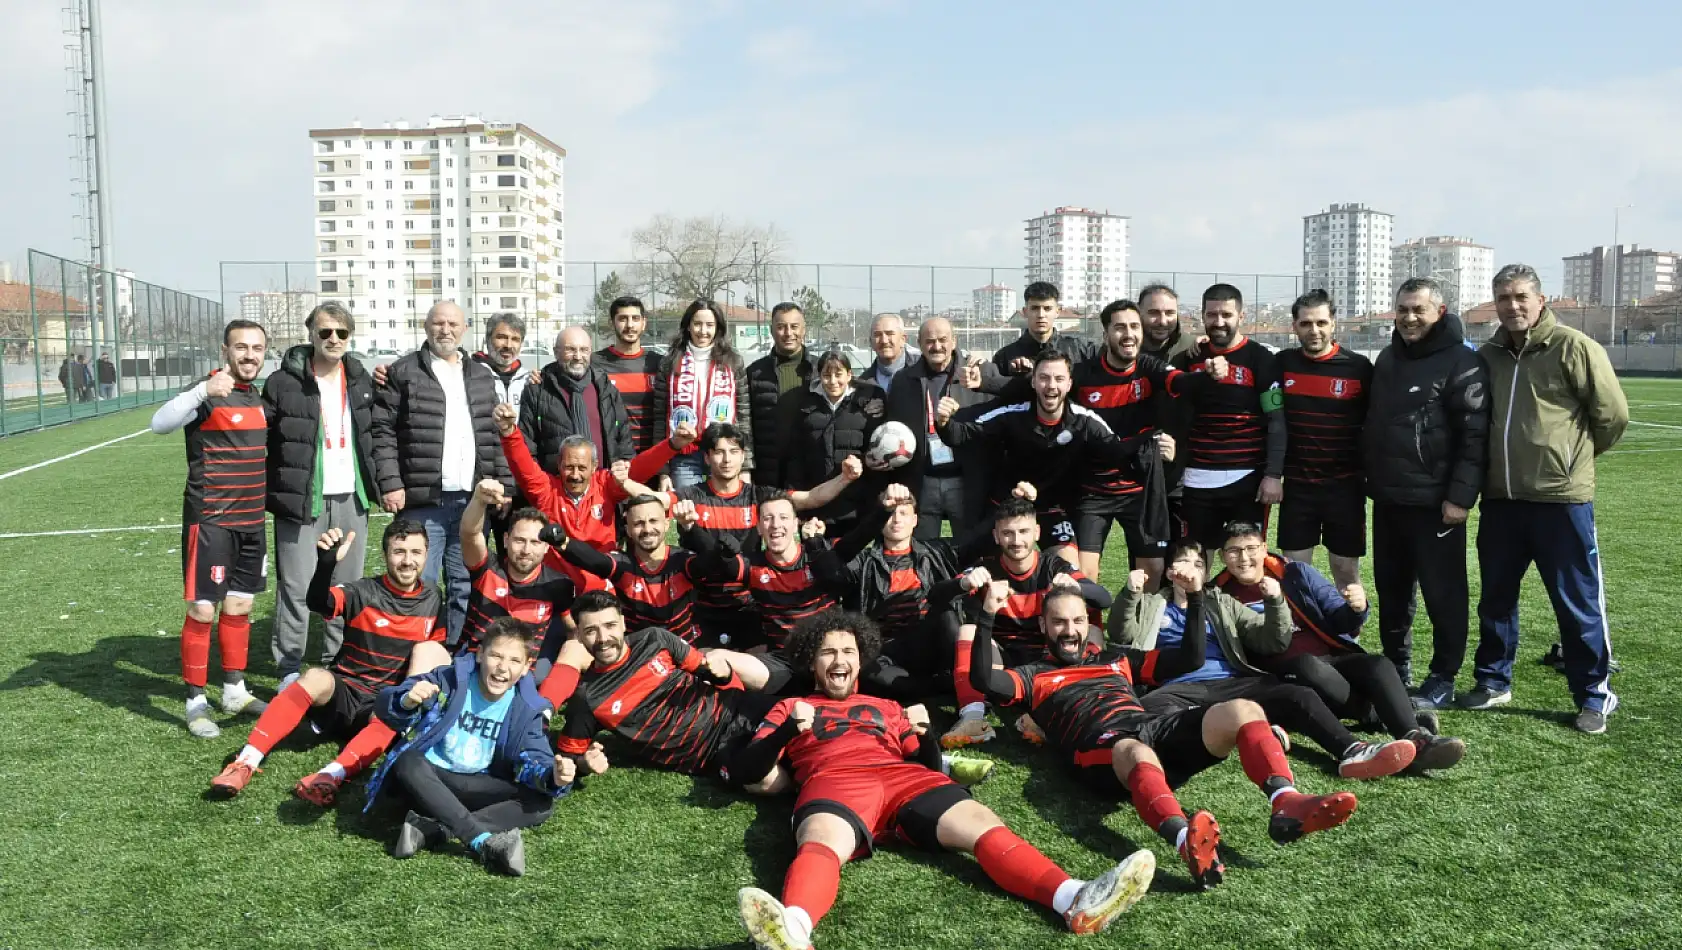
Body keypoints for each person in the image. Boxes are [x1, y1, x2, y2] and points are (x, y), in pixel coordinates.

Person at [730, 610, 1156, 950]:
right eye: (827, 652)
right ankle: (794, 930)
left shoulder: (889, 707)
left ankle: (1073, 898)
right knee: (822, 838)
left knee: (979, 821)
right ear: (812, 661)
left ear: (861, 657)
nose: (839, 660)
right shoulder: (791, 706)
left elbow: (929, 767)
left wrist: (926, 736)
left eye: (848, 650)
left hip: (905, 777)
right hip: (836, 779)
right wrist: (789, 731)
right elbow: (749, 770)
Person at [968, 577, 1361, 890]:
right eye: (1058, 622)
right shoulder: (1033, 675)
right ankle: (1183, 841)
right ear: (1043, 625)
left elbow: (1188, 659)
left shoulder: (1116, 659)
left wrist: (1195, 596)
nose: (1069, 631)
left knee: (1244, 710)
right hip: (1100, 750)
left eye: (1076, 621)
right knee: (1135, 751)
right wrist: (986, 616)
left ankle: (1285, 800)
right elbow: (984, 679)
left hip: (1150, 729)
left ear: (1088, 624)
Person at [1464, 264, 1628, 733]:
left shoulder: (1574, 347)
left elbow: (1612, 416)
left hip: (1562, 501)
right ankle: (1494, 681)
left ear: (1540, 299)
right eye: (1503, 298)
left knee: (1575, 602)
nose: (1511, 306)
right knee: (1495, 598)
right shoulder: (1490, 354)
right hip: (1501, 499)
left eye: (1520, 297)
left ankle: (1593, 693)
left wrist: (1571, 459)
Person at [1109, 540, 1417, 780]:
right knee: (1151, 714)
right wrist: (1129, 594)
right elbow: (1123, 636)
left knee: (1297, 694)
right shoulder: (1151, 604)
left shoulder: (1223, 603)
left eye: (1199, 563)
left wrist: (1275, 602)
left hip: (1230, 682)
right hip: (1176, 687)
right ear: (1169, 571)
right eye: (1184, 560)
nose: (1191, 567)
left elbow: (1272, 639)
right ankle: (1255, 727)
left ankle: (1353, 750)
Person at [208, 523, 450, 800]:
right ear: (385, 555)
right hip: (342, 694)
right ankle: (245, 761)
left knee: (392, 713)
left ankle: (328, 777)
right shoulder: (363, 591)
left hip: (381, 704)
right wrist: (325, 565)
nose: (408, 560)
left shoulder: (433, 598)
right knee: (314, 676)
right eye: (399, 551)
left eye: (416, 552)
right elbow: (318, 602)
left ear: (427, 554)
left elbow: (436, 653)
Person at [1213, 522, 1465, 771]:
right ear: (1223, 556)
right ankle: (1378, 716)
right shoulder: (1218, 594)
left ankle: (1415, 739)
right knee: (1306, 664)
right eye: (1234, 551)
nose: (1243, 558)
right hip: (1285, 676)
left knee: (1377, 663)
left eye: (1251, 548)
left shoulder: (1295, 573)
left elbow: (1340, 619)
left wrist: (1356, 608)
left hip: (1331, 658)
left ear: (1264, 548)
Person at [362, 617, 574, 876]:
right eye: (496, 656)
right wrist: (406, 701)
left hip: (475, 784)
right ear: (480, 654)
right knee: (407, 761)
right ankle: (482, 842)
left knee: (542, 801)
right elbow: (387, 706)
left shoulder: (528, 707)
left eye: (514, 661)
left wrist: (554, 775)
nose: (502, 668)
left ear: (527, 667)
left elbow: (535, 758)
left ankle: (435, 830)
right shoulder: (450, 679)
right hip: (422, 783)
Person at [1363, 278, 1489, 704]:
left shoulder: (1461, 361)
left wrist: (1460, 497)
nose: (1409, 318)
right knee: (1392, 592)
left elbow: (1474, 437)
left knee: (1443, 593)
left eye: (1418, 309)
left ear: (1440, 310)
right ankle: (1395, 668)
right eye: (1403, 309)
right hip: (1388, 499)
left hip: (1436, 504)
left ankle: (1443, 676)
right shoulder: (1387, 358)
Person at [150, 319, 271, 737]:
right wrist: (202, 391)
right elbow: (159, 423)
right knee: (203, 609)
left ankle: (234, 690)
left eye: (256, 347)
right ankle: (195, 701)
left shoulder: (257, 396)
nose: (249, 354)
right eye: (241, 347)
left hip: (252, 521)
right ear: (226, 350)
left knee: (240, 607)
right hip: (212, 520)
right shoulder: (206, 393)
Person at [370, 301, 513, 644]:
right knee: (421, 581)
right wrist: (391, 482)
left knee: (465, 583)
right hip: (424, 501)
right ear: (425, 326)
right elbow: (383, 432)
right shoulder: (402, 372)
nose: (445, 330)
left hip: (472, 503)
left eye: (452, 323)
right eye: (438, 323)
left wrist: (503, 484)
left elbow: (493, 434)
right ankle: (415, 652)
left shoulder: (480, 374)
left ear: (465, 328)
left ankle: (455, 653)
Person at [552, 591, 787, 789]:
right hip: (711, 751)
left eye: (610, 625)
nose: (604, 638)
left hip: (736, 707)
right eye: (591, 630)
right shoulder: (587, 698)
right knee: (768, 782)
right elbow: (567, 759)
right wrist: (584, 764)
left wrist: (724, 673)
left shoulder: (655, 639)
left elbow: (714, 675)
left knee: (807, 719)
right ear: (580, 636)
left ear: (623, 623)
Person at [263, 302, 379, 689]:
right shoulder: (284, 381)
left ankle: (338, 661)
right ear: (310, 333)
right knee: (296, 585)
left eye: (341, 333)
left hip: (351, 497)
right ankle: (289, 666)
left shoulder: (362, 380)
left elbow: (375, 435)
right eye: (325, 332)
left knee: (346, 585)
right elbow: (264, 437)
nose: (333, 339)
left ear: (350, 337)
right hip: (302, 498)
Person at [1067, 299, 1220, 588]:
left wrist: (1208, 374)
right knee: (1084, 575)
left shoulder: (1148, 367)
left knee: (1152, 569)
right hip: (1094, 492)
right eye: (1120, 327)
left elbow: (1181, 381)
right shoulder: (1083, 375)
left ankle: (1143, 632)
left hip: (1141, 490)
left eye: (1134, 326)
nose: (1129, 334)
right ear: (1105, 334)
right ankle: (1089, 633)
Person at [664, 423, 861, 645]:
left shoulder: (760, 496)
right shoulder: (692, 496)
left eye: (733, 452)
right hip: (704, 605)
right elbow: (651, 501)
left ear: (743, 457)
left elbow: (811, 498)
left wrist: (845, 479)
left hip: (751, 604)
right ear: (707, 458)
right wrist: (622, 481)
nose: (727, 459)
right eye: (719, 452)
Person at [936, 350, 1141, 561]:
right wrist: (943, 422)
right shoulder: (1011, 415)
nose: (1051, 385)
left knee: (1068, 569)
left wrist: (1153, 443)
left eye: (1059, 379)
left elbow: (1119, 452)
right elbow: (961, 435)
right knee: (988, 571)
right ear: (1033, 382)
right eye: (1044, 378)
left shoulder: (1085, 421)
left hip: (1053, 510)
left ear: (1069, 384)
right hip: (1009, 507)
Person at [944, 495, 1112, 748]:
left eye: (1023, 531)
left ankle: (1070, 706)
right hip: (1003, 660)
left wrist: (1078, 586)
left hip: (1048, 659)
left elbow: (1104, 598)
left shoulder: (1054, 566)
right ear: (996, 536)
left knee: (1095, 632)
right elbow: (936, 595)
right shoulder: (986, 568)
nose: (1017, 540)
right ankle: (973, 718)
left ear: (1037, 532)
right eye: (1008, 533)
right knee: (968, 630)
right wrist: (963, 583)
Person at [1171, 284, 1286, 551]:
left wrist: (1273, 474)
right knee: (1195, 558)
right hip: (1196, 477)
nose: (1219, 322)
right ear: (1202, 316)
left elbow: (1276, 421)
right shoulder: (1189, 358)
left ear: (1241, 316)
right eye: (1211, 315)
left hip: (1247, 478)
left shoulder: (1262, 359)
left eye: (1226, 315)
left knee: (1247, 557)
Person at [1275, 290, 1373, 591]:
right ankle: (1304, 636)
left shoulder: (1359, 369)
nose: (1313, 330)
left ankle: (1348, 636)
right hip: (1298, 487)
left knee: (1345, 571)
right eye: (1305, 323)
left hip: (1344, 488)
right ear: (1294, 326)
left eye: (1321, 322)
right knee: (1295, 573)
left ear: (1334, 324)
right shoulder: (1281, 363)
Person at [496, 403, 687, 555]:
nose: (575, 475)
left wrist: (673, 444)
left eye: (582, 468)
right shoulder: (547, 490)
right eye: (569, 467)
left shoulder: (605, 485)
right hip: (557, 581)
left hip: (601, 579)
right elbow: (523, 466)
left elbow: (638, 469)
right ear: (559, 465)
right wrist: (508, 432)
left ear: (594, 467)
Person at [883, 317, 990, 538]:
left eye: (943, 340)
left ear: (954, 341)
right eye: (930, 341)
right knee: (923, 551)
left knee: (967, 547)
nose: (937, 346)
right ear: (919, 343)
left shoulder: (974, 375)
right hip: (923, 480)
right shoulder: (903, 380)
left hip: (964, 479)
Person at [552, 493, 709, 642]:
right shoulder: (622, 564)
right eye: (638, 524)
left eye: (653, 521)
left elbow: (718, 562)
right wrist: (563, 543)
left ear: (667, 524)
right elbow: (595, 561)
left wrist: (691, 528)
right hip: (639, 652)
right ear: (628, 530)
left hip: (687, 648)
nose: (647, 529)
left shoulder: (682, 560)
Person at [455, 480, 575, 674]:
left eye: (535, 542)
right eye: (519, 540)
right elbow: (469, 534)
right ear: (505, 540)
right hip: (474, 665)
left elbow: (572, 630)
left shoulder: (558, 585)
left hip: (522, 672)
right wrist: (478, 499)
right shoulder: (487, 568)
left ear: (546, 547)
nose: (526, 550)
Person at [786, 349, 887, 538]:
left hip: (856, 505)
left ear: (849, 375)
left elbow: (876, 450)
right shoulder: (806, 406)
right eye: (826, 375)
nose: (832, 381)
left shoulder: (866, 403)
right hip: (818, 501)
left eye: (838, 374)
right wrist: (796, 498)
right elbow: (796, 456)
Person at [653, 299, 752, 490]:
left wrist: (745, 466)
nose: (703, 331)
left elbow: (743, 416)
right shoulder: (670, 363)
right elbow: (659, 418)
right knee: (690, 515)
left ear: (718, 328)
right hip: (684, 456)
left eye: (710, 325)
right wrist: (663, 471)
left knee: (723, 513)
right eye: (697, 324)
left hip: (724, 454)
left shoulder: (733, 362)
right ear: (688, 326)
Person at [521, 325, 634, 471]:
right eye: (571, 349)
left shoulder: (605, 387)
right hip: (555, 487)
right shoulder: (538, 389)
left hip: (603, 484)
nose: (578, 357)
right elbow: (527, 445)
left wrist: (625, 466)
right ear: (556, 352)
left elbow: (623, 434)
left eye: (584, 350)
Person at [745, 302, 813, 487]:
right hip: (766, 472)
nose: (788, 333)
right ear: (772, 330)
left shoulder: (818, 370)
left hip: (809, 470)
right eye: (781, 327)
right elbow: (745, 424)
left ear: (804, 329)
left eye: (794, 326)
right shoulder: (754, 373)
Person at [592, 295, 664, 456]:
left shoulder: (660, 364)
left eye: (635, 319)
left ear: (644, 323)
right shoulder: (594, 363)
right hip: (612, 456)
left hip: (652, 455)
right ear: (612, 323)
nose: (630, 325)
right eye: (623, 319)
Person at [987, 282, 1096, 385]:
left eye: (1047, 308)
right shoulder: (1005, 356)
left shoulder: (1081, 350)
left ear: (1057, 311)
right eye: (1034, 308)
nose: (1041, 315)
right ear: (1025, 312)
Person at [472, 312, 532, 415]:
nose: (508, 345)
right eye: (501, 337)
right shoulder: (471, 376)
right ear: (488, 339)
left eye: (515, 339)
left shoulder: (528, 381)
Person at [864, 313, 917, 394]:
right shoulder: (863, 383)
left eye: (889, 334)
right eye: (877, 335)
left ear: (903, 339)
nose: (884, 340)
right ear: (871, 342)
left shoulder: (922, 375)